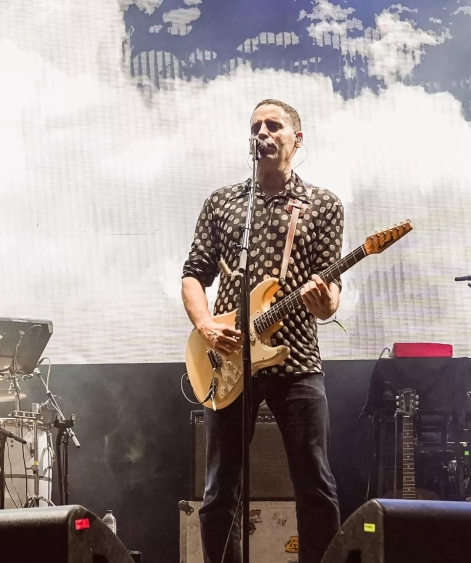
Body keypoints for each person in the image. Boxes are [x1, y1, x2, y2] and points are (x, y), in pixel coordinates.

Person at [181, 99, 343, 563]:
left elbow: (330, 292)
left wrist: (325, 302)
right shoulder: (224, 202)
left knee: (315, 482)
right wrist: (206, 325)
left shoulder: (323, 205)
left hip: (297, 359)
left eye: (274, 126)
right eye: (256, 127)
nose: (263, 134)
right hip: (230, 359)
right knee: (220, 488)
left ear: (297, 138)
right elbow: (193, 275)